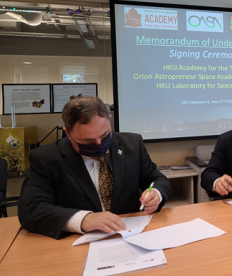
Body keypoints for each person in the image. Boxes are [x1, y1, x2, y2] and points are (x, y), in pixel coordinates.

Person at [18, 97, 172, 239]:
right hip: (78, 242)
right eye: (87, 142)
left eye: (104, 136)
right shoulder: (46, 158)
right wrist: (84, 219)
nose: (99, 144)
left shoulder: (132, 144)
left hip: (131, 234)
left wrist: (156, 194)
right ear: (67, 133)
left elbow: (157, 179)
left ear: (109, 121)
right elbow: (31, 210)